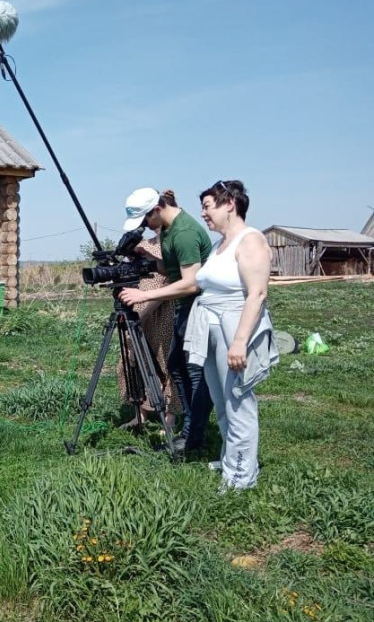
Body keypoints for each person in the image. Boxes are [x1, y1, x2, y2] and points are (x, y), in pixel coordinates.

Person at [184, 180, 277, 490]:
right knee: (220, 401)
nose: (203, 214)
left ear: (229, 204)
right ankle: (232, 459)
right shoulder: (220, 244)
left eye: (207, 206)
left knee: (238, 401)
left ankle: (241, 476)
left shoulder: (250, 241)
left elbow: (257, 293)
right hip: (210, 325)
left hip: (234, 326)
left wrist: (239, 341)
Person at [120, 188, 213, 456]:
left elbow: (190, 283)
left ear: (157, 210)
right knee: (177, 366)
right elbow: (171, 270)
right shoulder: (170, 230)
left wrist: (144, 294)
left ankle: (193, 436)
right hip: (185, 308)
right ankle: (191, 432)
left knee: (193, 374)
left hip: (196, 308)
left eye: (145, 220)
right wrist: (148, 258)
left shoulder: (182, 233)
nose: (145, 227)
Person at [116, 223, 180, 432]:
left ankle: (170, 417)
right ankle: (141, 413)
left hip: (162, 310)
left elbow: (169, 282)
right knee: (134, 358)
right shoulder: (143, 245)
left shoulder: (172, 246)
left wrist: (144, 310)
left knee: (166, 363)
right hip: (139, 306)